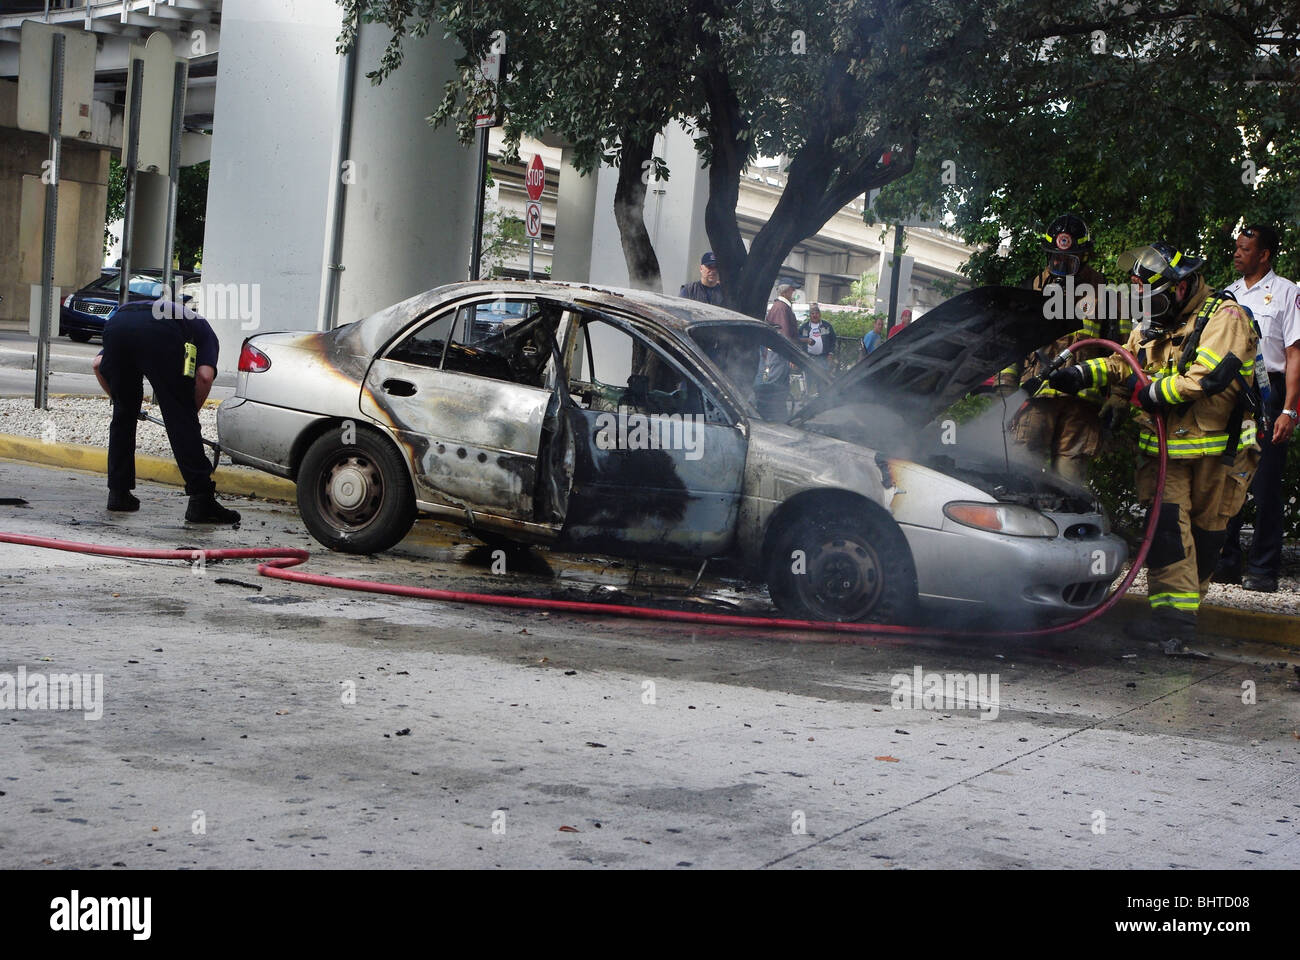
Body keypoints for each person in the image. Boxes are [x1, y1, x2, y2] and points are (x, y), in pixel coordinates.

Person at [1049, 241, 1261, 652]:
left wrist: (1146, 393)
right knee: (1166, 532)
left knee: (1205, 537)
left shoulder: (1225, 317)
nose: (1145, 305)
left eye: (1154, 296)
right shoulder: (1152, 319)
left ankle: (1180, 617)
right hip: (1166, 454)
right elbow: (1123, 362)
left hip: (1219, 452)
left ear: (1180, 289)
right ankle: (1172, 624)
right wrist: (1081, 373)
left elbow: (1206, 378)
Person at [92, 299, 241, 524]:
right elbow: (204, 376)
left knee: (123, 417)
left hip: (117, 323)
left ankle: (118, 494)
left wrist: (123, 402)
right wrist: (187, 418)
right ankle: (201, 501)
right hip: (159, 333)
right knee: (180, 416)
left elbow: (97, 364)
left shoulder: (140, 316)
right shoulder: (203, 329)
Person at [1213, 224, 1300, 591]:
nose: (1237, 253)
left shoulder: (1287, 293)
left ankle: (1263, 571)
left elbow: (1295, 354)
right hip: (1235, 395)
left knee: (1264, 486)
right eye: (1237, 247)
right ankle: (1226, 562)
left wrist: (1290, 410)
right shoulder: (1228, 295)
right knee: (1227, 477)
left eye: (1245, 249)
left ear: (1264, 255)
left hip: (1270, 394)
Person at [1002, 213, 1120, 484]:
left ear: (1085, 256)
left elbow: (1120, 352)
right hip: (1035, 398)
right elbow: (1013, 343)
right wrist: (1007, 388)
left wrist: (1119, 397)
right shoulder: (1032, 288)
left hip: (1082, 405)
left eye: (1069, 260)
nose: (1061, 265)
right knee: (1021, 477)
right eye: (1056, 259)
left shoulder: (1107, 295)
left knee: (1068, 485)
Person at [798, 304, 837, 370]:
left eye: (816, 313)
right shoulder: (804, 327)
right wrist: (806, 340)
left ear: (820, 314)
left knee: (823, 378)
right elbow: (797, 338)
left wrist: (831, 353)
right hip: (808, 358)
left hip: (823, 358)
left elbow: (833, 339)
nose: (814, 315)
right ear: (809, 315)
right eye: (812, 313)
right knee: (809, 377)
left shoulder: (826, 326)